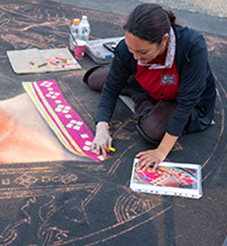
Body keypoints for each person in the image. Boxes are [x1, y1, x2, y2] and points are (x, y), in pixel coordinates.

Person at [88, 3, 216, 171]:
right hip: (153, 81)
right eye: (130, 49)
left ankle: (141, 96)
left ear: (163, 40)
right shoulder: (131, 52)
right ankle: (143, 92)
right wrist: (102, 127)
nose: (136, 58)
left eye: (142, 52)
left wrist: (161, 152)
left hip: (181, 98)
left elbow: (187, 103)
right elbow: (111, 87)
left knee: (153, 130)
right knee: (94, 80)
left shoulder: (192, 46)